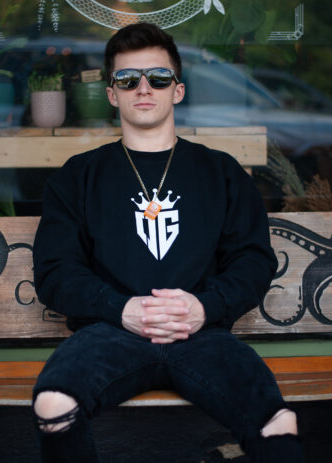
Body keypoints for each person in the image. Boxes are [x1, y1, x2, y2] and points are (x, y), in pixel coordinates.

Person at [32, 22, 304, 462]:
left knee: (277, 421)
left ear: (177, 91)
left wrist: (204, 308)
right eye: (127, 79)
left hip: (203, 334)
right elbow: (55, 272)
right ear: (111, 94)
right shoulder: (78, 176)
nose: (144, 88)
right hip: (110, 333)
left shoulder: (221, 173)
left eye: (158, 78)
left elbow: (253, 261)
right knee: (53, 404)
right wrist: (122, 309)